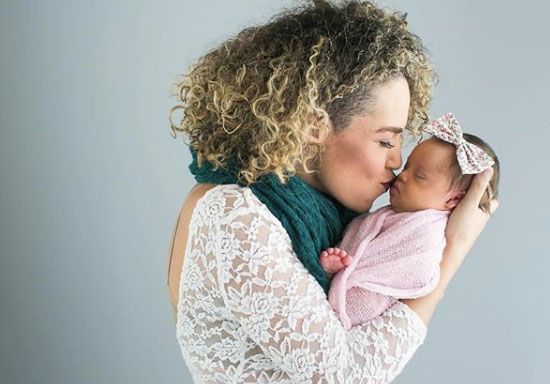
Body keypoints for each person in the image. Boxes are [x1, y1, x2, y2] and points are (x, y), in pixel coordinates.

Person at [166, 1, 499, 383]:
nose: (397, 162)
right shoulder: (232, 215)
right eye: (385, 141)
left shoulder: (333, 224)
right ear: (313, 126)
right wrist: (452, 252)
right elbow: (342, 374)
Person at [320, 112, 500, 328]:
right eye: (407, 167)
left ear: (454, 200)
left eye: (419, 176)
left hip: (364, 309)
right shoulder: (396, 214)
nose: (402, 175)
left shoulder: (428, 231)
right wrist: (343, 266)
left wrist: (354, 276)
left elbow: (419, 268)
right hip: (340, 289)